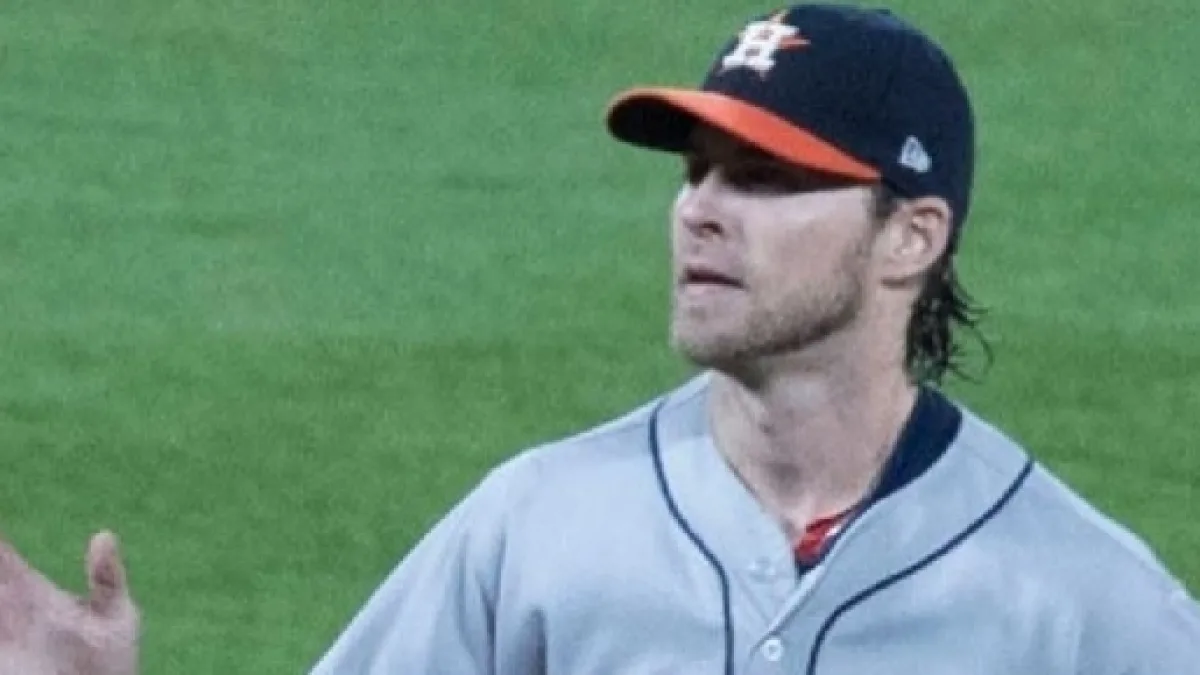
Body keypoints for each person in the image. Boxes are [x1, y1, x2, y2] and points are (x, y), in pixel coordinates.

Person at [1, 4, 1197, 674]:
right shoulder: (536, 531)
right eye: (697, 172)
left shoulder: (1081, 605)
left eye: (767, 179)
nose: (702, 210)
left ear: (909, 237)